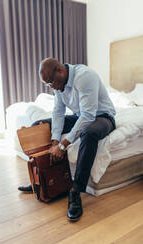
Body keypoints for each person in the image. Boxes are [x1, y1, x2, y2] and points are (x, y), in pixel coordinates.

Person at [18, 58, 116, 221]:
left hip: (102, 117)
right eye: (48, 85)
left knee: (89, 132)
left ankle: (75, 191)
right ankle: (41, 179)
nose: (52, 87)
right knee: (39, 125)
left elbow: (88, 116)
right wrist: (55, 141)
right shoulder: (59, 83)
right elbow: (57, 112)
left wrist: (63, 146)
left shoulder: (85, 76)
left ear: (60, 71)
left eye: (51, 83)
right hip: (81, 115)